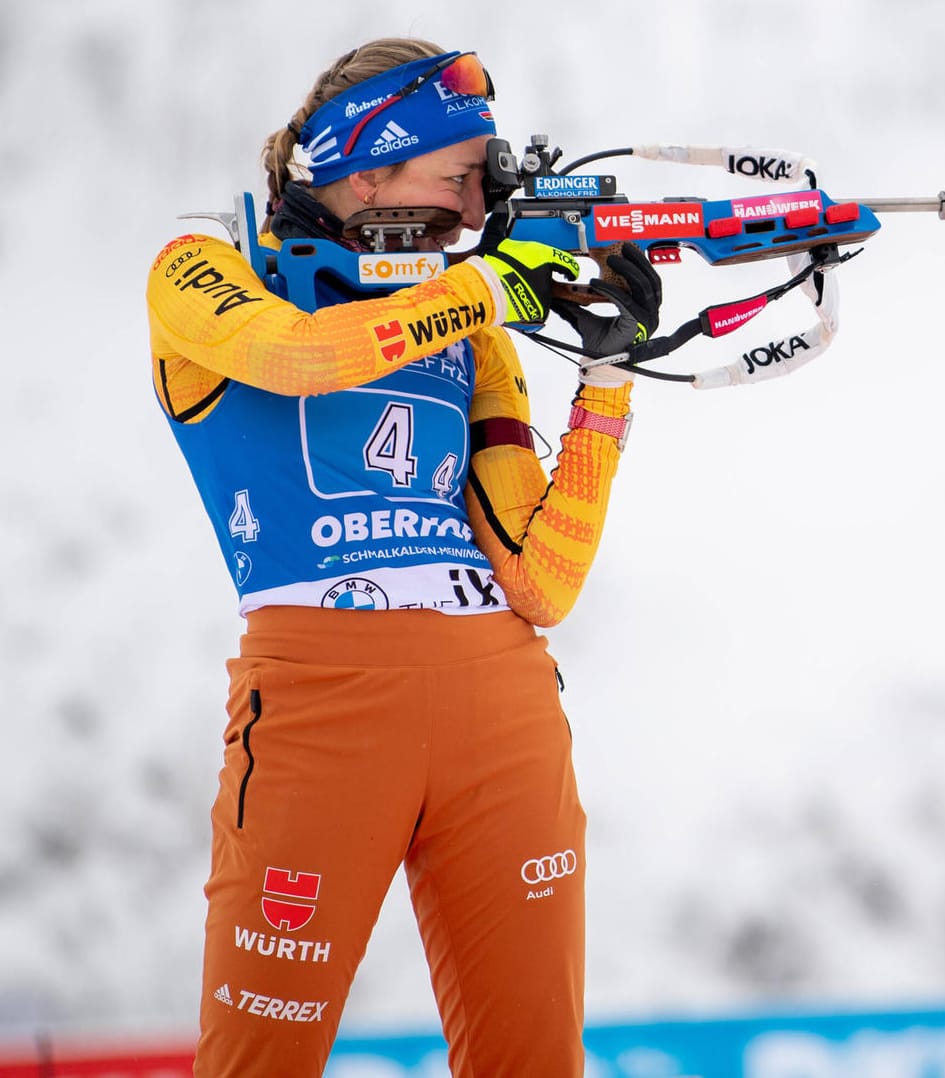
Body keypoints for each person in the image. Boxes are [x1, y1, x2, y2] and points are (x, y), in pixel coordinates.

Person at [145, 37, 661, 1077]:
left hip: (501, 700)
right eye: (456, 176)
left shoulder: (474, 336)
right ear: (366, 165)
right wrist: (486, 291)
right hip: (321, 701)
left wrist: (607, 381)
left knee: (535, 1062)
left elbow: (539, 581)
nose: (476, 213)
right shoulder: (205, 270)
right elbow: (298, 358)